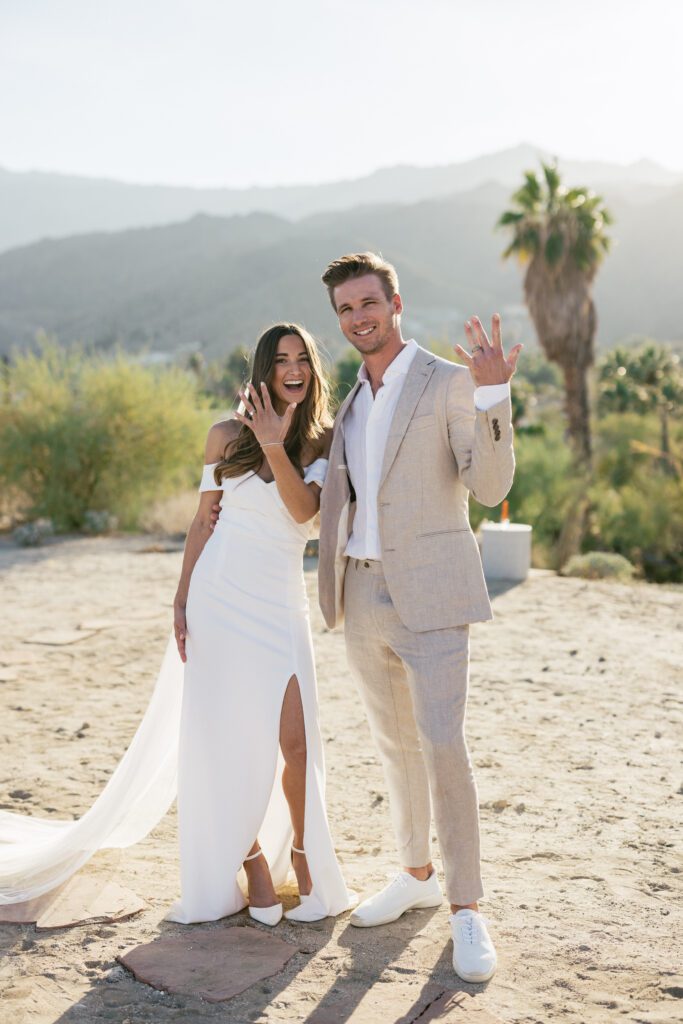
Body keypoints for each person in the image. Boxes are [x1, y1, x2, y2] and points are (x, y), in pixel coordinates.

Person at [0, 322, 354, 929]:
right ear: (263, 370)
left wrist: (276, 444)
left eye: (302, 359)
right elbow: (202, 522)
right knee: (223, 738)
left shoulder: (324, 443)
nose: (292, 369)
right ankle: (250, 863)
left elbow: (308, 516)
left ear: (312, 371)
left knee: (294, 743)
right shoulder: (224, 435)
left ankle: (302, 852)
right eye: (280, 360)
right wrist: (182, 597)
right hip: (219, 599)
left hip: (278, 603)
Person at [317, 252, 521, 982]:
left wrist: (494, 397)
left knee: (441, 745)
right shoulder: (351, 401)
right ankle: (413, 874)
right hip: (362, 594)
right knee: (393, 747)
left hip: (432, 595)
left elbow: (490, 483)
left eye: (367, 302)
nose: (357, 318)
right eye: (344, 309)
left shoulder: (445, 382)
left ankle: (466, 909)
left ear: (394, 302)